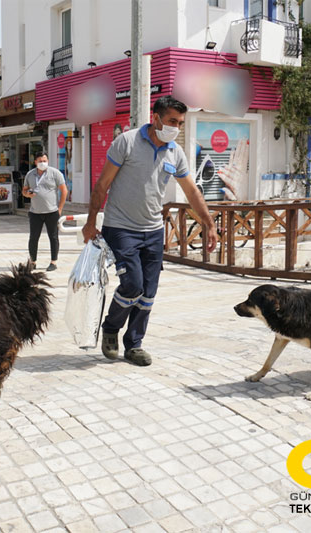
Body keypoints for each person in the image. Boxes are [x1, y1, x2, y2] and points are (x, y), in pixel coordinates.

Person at [82, 96, 218, 366]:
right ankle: (111, 327)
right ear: (155, 118)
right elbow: (102, 184)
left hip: (153, 230)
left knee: (148, 292)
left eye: (180, 123)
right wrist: (90, 221)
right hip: (121, 227)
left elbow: (191, 191)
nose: (175, 127)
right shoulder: (127, 142)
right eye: (171, 121)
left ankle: (134, 344)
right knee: (132, 285)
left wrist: (209, 224)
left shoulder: (175, 153)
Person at [23, 151, 68, 271]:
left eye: (45, 161)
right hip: (35, 212)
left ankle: (53, 261)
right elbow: (24, 190)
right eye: (40, 161)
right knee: (33, 238)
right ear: (35, 162)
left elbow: (64, 190)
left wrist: (60, 208)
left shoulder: (55, 173)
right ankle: (32, 262)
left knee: (53, 237)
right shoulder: (30, 174)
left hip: (51, 211)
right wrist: (27, 194)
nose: (43, 163)